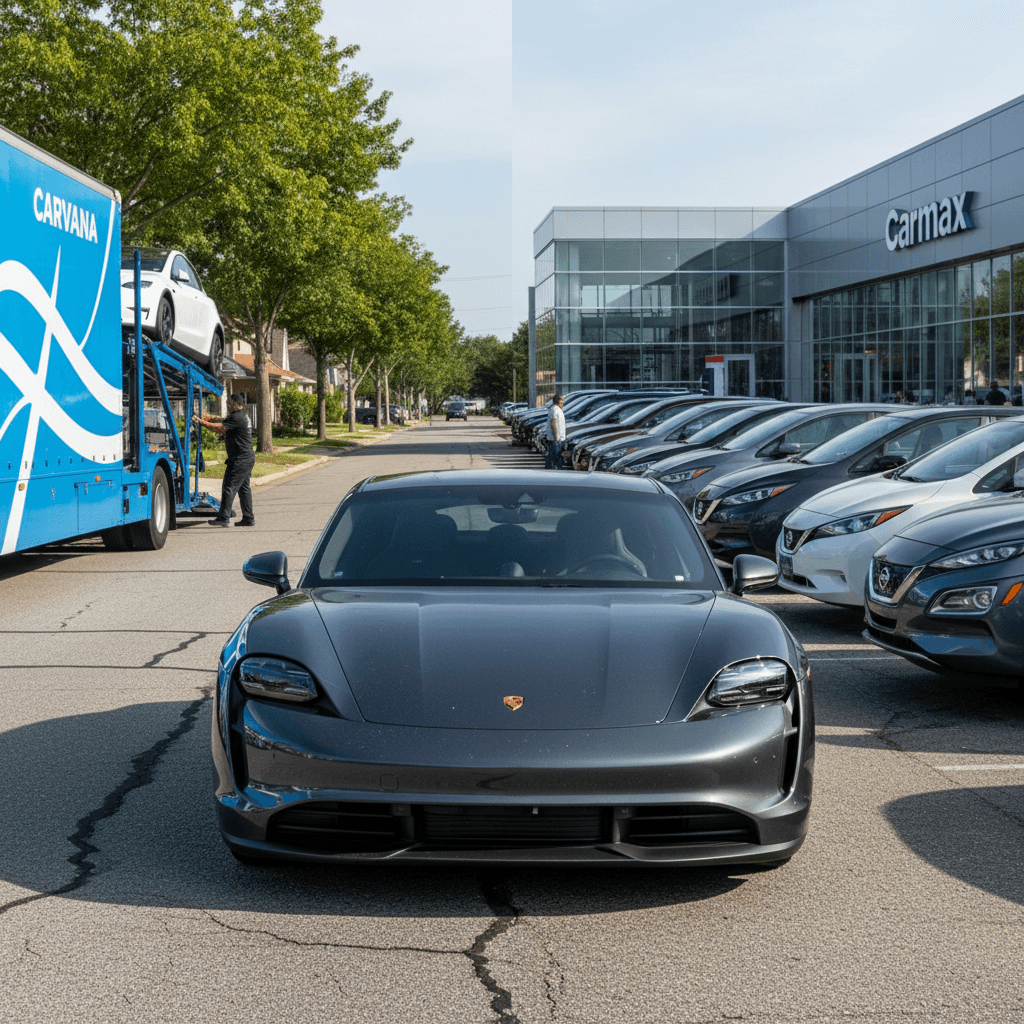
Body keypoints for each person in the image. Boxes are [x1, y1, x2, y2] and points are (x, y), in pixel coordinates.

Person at [194, 393, 256, 526]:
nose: (228, 404)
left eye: (230, 403)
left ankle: (223, 518)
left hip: (240, 459)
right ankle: (248, 518)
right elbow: (222, 419)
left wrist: (201, 422)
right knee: (244, 489)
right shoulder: (241, 416)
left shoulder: (236, 417)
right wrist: (210, 418)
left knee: (229, 487)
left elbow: (220, 428)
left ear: (235, 404)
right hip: (247, 458)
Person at [544, 394, 566, 470]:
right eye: (562, 402)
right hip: (556, 439)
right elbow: (554, 423)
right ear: (560, 402)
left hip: (558, 439)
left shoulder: (556, 409)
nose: (563, 404)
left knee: (554, 457)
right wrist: (556, 437)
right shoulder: (554, 410)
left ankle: (553, 471)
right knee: (555, 458)